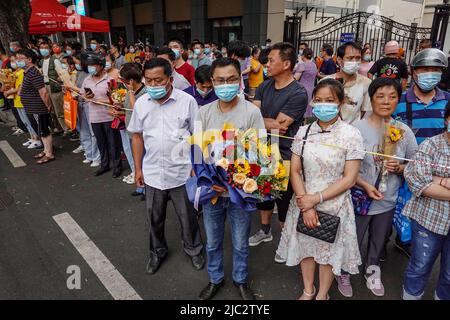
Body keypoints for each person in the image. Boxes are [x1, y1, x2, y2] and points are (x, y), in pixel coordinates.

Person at [276, 78, 364, 300]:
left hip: (334, 203)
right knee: (306, 248)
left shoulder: (351, 134)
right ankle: (308, 290)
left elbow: (350, 178)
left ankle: (323, 293)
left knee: (327, 253)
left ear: (340, 102)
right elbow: (295, 170)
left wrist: (316, 199)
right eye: (318, 100)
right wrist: (306, 204)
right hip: (303, 200)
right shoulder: (304, 132)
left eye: (329, 100)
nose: (323, 105)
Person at [335, 78, 418, 298]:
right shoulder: (355, 129)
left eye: (392, 97)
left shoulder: (404, 131)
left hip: (387, 199)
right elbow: (343, 165)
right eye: (380, 96)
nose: (386, 101)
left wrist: (400, 168)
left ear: (398, 100)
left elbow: (415, 164)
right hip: (358, 197)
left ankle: (372, 269)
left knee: (378, 240)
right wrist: (363, 184)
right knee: (352, 237)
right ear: (370, 99)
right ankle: (344, 271)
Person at [197, 58, 265, 301]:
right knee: (213, 242)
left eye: (231, 79)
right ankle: (215, 279)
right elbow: (196, 151)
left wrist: (239, 180)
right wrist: (207, 181)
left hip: (241, 193)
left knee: (240, 243)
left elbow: (260, 151)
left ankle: (240, 279)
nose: (226, 84)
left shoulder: (251, 112)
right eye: (220, 80)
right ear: (212, 82)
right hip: (212, 192)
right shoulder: (203, 112)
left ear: (240, 80)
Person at [127, 58, 204, 275]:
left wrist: (196, 166)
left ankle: (194, 249)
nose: (153, 85)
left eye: (158, 80)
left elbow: (197, 135)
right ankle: (157, 252)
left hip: (182, 173)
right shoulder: (142, 103)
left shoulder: (187, 101)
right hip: (152, 173)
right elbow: (137, 137)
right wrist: (138, 169)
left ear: (170, 79)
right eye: (148, 81)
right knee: (154, 217)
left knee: (188, 217)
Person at [249, 43, 308, 254]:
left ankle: (286, 242)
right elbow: (253, 117)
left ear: (286, 64)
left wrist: (263, 122)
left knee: (283, 200)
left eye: (271, 60)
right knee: (263, 195)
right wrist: (267, 123)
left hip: (285, 154)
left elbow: (281, 126)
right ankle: (265, 230)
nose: (267, 64)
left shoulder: (298, 93)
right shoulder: (265, 85)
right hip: (261, 150)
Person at [392, 48, 450, 257]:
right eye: (425, 69)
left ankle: (420, 245)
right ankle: (395, 241)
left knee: (427, 211)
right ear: (414, 72)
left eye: (435, 69)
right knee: (398, 207)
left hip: (437, 172)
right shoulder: (398, 102)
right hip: (403, 167)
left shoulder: (447, 102)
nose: (430, 73)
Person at [402, 101, 450, 300]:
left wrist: (436, 179)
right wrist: (434, 182)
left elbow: (428, 181)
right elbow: (418, 182)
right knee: (419, 268)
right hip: (428, 220)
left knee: (449, 275)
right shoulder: (431, 145)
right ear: (447, 119)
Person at [80, 52, 123, 178]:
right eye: (89, 65)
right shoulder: (87, 80)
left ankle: (117, 166)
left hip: (109, 116)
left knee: (113, 143)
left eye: (93, 65)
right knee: (101, 143)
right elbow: (82, 95)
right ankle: (104, 165)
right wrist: (86, 97)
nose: (90, 68)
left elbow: (116, 99)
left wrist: (99, 101)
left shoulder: (110, 80)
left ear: (101, 65)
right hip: (94, 117)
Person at [16, 49, 55, 164]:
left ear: (29, 59)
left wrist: (48, 106)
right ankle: (45, 150)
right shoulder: (27, 72)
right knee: (40, 130)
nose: (18, 61)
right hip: (32, 107)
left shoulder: (34, 72)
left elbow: (43, 92)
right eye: (18, 59)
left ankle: (49, 153)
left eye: (21, 59)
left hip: (39, 107)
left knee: (44, 131)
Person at [323, 42, 372, 124]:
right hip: (329, 131)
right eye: (350, 58)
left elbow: (364, 111)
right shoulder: (326, 82)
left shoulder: (366, 83)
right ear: (339, 60)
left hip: (353, 132)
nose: (354, 61)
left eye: (358, 58)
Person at [115, 63, 147, 186]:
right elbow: (128, 109)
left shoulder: (144, 93)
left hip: (141, 135)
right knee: (136, 160)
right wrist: (118, 110)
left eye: (123, 80)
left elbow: (137, 111)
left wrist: (131, 92)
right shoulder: (129, 93)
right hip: (131, 132)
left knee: (144, 161)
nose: (122, 82)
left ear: (131, 81)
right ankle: (141, 185)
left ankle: (146, 187)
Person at [68, 52, 101, 167]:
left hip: (89, 105)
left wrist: (73, 88)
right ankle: (89, 154)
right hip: (79, 103)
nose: (75, 64)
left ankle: (97, 157)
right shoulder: (79, 73)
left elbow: (87, 92)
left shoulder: (90, 76)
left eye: (77, 62)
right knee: (83, 131)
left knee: (93, 132)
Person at [3, 55, 41, 148]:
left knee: (29, 120)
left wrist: (9, 92)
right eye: (12, 61)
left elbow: (20, 87)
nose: (14, 63)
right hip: (16, 100)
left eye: (15, 60)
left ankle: (37, 138)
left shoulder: (21, 73)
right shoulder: (14, 73)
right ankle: (32, 137)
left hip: (23, 100)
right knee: (25, 121)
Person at [39, 42, 68, 134]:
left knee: (59, 110)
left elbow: (61, 74)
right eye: (41, 48)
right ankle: (58, 128)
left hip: (54, 87)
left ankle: (67, 129)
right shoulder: (42, 61)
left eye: (46, 48)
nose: (43, 50)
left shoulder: (54, 60)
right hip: (46, 86)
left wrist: (60, 82)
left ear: (49, 50)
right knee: (52, 110)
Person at [293, 48, 317, 116]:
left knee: (302, 109)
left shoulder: (302, 65)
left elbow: (295, 78)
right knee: (308, 109)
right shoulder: (314, 65)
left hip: (303, 89)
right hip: (312, 89)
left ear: (303, 55)